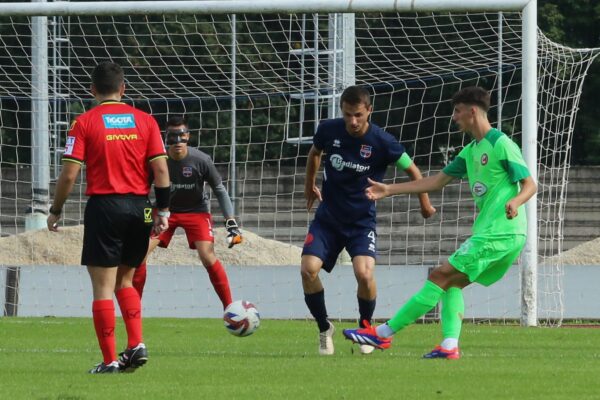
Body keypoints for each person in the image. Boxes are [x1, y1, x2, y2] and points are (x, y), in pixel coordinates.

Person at [343, 86, 537, 359]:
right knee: (451, 284)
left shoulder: (500, 143)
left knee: (438, 276)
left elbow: (530, 184)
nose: (454, 118)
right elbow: (436, 181)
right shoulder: (471, 151)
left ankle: (382, 334)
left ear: (472, 111)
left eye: (457, 111)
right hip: (497, 235)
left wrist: (516, 202)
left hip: (501, 232)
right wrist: (389, 190)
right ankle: (449, 346)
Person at [47, 61, 170, 374]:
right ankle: (137, 343)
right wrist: (163, 209)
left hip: (105, 207)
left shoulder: (84, 122)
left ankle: (110, 361)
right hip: (140, 207)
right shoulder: (146, 121)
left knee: (102, 288)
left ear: (92, 90)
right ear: (123, 89)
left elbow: (69, 175)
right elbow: (160, 171)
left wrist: (56, 209)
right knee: (125, 280)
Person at [302, 85, 436, 356]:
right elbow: (314, 154)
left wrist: (425, 203)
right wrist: (309, 186)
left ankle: (365, 329)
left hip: (361, 222)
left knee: (364, 274)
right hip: (328, 219)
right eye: (348, 114)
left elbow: (412, 169)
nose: (353, 121)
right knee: (308, 270)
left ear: (369, 112)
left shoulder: (383, 142)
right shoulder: (328, 130)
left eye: (359, 115)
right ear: (342, 110)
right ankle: (323, 328)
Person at [132, 115, 242, 309]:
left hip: (196, 211)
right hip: (165, 210)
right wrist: (149, 217)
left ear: (188, 136)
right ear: (165, 138)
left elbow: (219, 190)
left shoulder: (201, 160)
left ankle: (230, 308)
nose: (177, 142)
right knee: (139, 254)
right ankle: (133, 308)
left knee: (207, 255)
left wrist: (230, 222)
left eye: (181, 136)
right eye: (172, 137)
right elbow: (142, 192)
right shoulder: (157, 161)